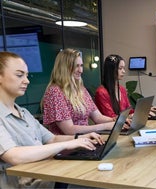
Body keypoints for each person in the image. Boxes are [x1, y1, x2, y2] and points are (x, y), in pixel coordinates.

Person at [0, 51, 104, 188]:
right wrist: (66, 145)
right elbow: (13, 156)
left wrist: (81, 138)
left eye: (26, 75)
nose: (27, 80)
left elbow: (52, 139)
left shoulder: (23, 112)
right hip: (29, 184)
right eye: (19, 75)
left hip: (49, 174)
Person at [42, 49, 118, 135]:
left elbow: (98, 117)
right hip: (68, 145)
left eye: (81, 66)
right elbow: (69, 130)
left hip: (86, 141)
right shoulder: (55, 92)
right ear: (64, 68)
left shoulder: (81, 89)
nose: (80, 70)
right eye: (76, 66)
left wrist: (116, 120)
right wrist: (105, 126)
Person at [95, 54, 156, 120]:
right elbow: (111, 118)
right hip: (110, 129)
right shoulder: (101, 92)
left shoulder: (122, 89)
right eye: (120, 68)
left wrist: (145, 110)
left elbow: (129, 111)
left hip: (125, 126)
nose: (123, 71)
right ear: (111, 70)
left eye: (123, 68)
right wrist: (131, 116)